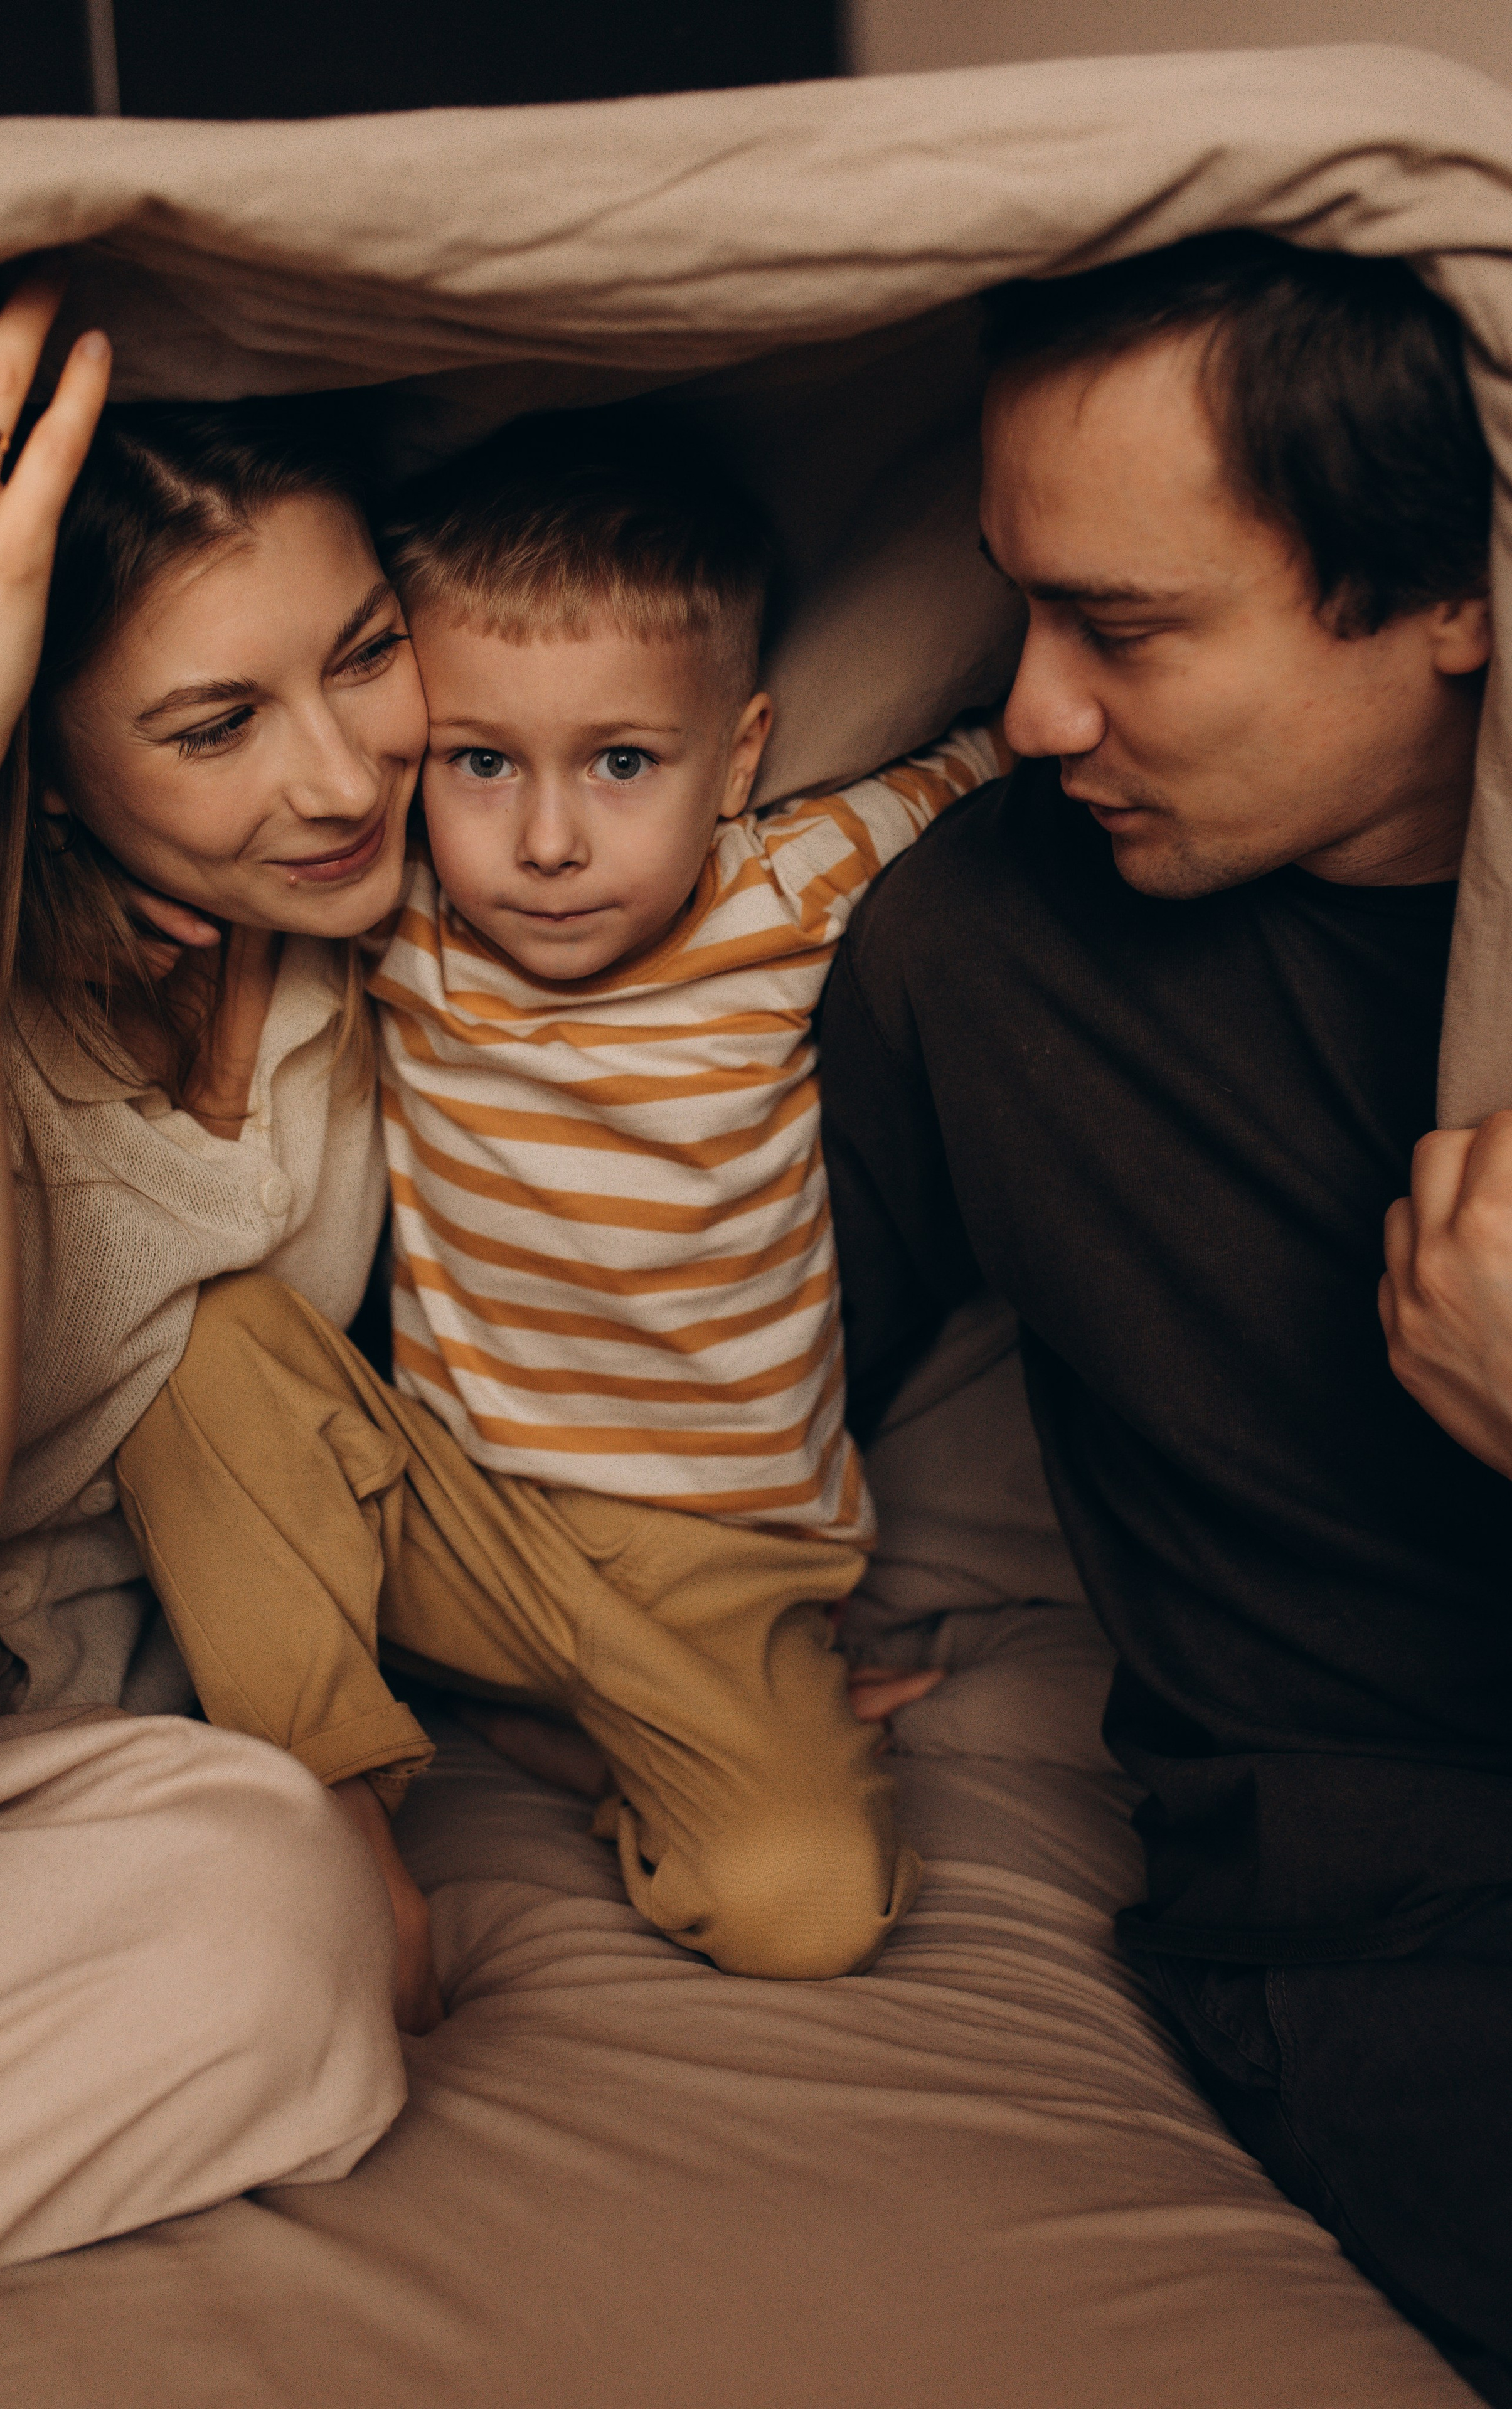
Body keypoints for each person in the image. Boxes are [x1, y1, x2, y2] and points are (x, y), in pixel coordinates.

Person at [817, 231, 1512, 2400]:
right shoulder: (974, 953)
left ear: (1453, 597)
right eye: (1018, 602)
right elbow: (700, 1401)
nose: (1029, 711)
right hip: (1382, 1913)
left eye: (1122, 626)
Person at [112, 422, 999, 1983]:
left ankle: (576, 1732)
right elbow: (221, 856)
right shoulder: (400, 919)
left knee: (804, 1914)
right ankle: (337, 1817)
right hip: (465, 1532)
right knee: (194, 1344)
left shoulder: (791, 887)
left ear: (736, 759)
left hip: (719, 1575)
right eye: (479, 762)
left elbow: (1009, 732)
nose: (543, 841)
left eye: (622, 763)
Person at [0, 272, 444, 2307]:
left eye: (365, 655)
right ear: (32, 767)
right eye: (215, 726)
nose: (338, 777)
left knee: (284, 1928)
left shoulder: (389, 912)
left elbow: (847, 602)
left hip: (36, 1779)